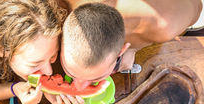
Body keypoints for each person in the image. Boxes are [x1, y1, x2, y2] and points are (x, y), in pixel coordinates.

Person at [60, 1, 202, 90]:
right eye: (70, 71)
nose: (78, 87)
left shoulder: (165, 24)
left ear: (122, 51)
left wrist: (136, 47)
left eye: (96, 78)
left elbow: (197, 7)